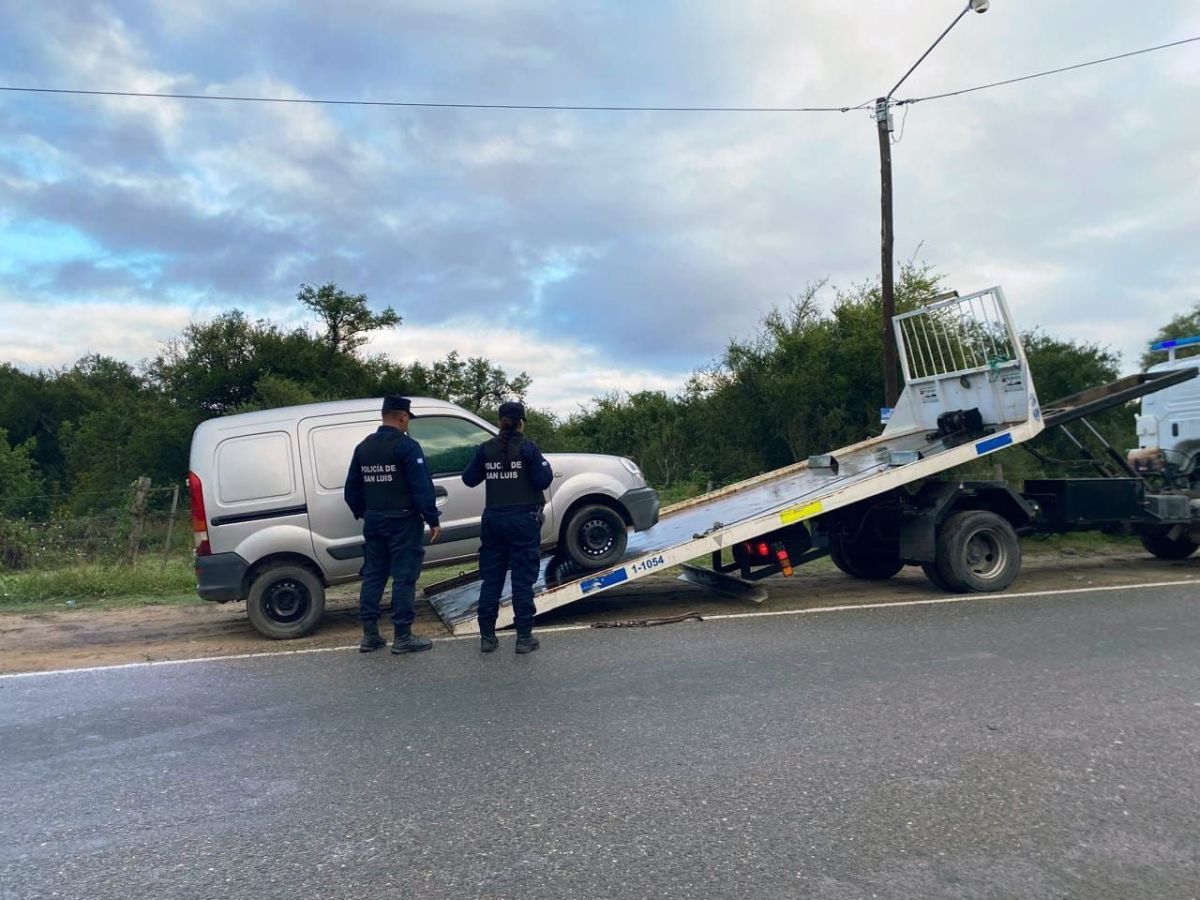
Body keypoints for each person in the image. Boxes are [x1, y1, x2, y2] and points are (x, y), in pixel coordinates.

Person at [344, 395, 442, 654]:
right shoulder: (407, 447)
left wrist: (366, 513)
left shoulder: (363, 447)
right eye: (408, 417)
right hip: (403, 521)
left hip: (375, 521)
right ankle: (402, 636)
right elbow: (421, 487)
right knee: (404, 576)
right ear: (402, 416)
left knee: (374, 575)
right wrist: (432, 518)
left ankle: (370, 635)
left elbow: (351, 490)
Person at [461, 400, 554, 654]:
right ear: (521, 422)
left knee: (491, 581)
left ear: (499, 422)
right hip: (523, 521)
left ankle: (487, 638)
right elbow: (543, 479)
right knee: (522, 581)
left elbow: (468, 479)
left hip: (494, 522)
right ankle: (523, 638)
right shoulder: (528, 449)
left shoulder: (485, 449)